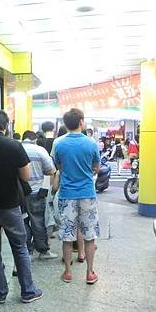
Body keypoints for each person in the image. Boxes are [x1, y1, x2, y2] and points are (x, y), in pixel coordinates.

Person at [0, 110, 43, 305]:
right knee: (20, 247)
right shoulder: (14, 145)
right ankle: (27, 291)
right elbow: (25, 175)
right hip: (10, 205)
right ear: (5, 125)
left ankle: (0, 293)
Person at [53, 108, 101, 285]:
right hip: (87, 193)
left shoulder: (59, 144)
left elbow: (59, 165)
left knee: (67, 235)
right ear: (81, 122)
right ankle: (89, 273)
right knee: (89, 235)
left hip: (67, 195)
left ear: (66, 124)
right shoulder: (91, 144)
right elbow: (96, 166)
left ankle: (67, 272)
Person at [21, 130, 57, 259]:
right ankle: (42, 251)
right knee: (38, 221)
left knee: (23, 221)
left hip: (20, 194)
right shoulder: (40, 150)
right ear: (35, 139)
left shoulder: (17, 148)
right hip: (37, 192)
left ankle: (27, 251)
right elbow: (51, 171)